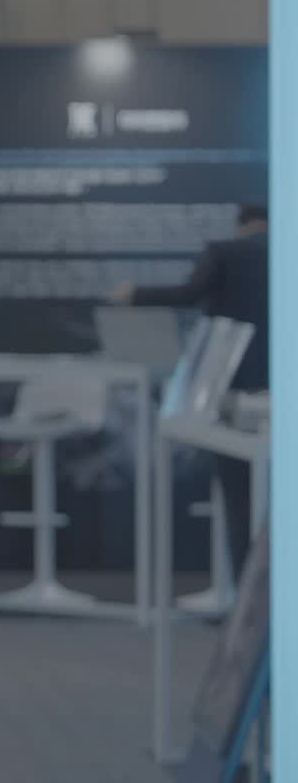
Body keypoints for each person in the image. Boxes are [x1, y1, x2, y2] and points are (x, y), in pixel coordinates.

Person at [110, 203, 269, 578]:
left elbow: (190, 293)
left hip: (232, 385)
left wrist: (135, 295)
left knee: (238, 496)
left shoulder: (226, 253)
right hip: (277, 387)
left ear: (241, 225)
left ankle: (243, 595)